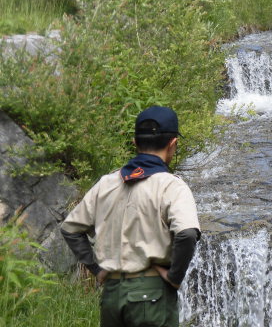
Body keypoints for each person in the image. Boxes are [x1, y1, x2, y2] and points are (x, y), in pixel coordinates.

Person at [60, 106, 200, 327]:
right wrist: (174, 277)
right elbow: (187, 234)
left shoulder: (106, 183)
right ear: (173, 143)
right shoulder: (172, 186)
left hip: (112, 295)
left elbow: (70, 229)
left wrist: (96, 269)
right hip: (152, 295)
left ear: (135, 143)